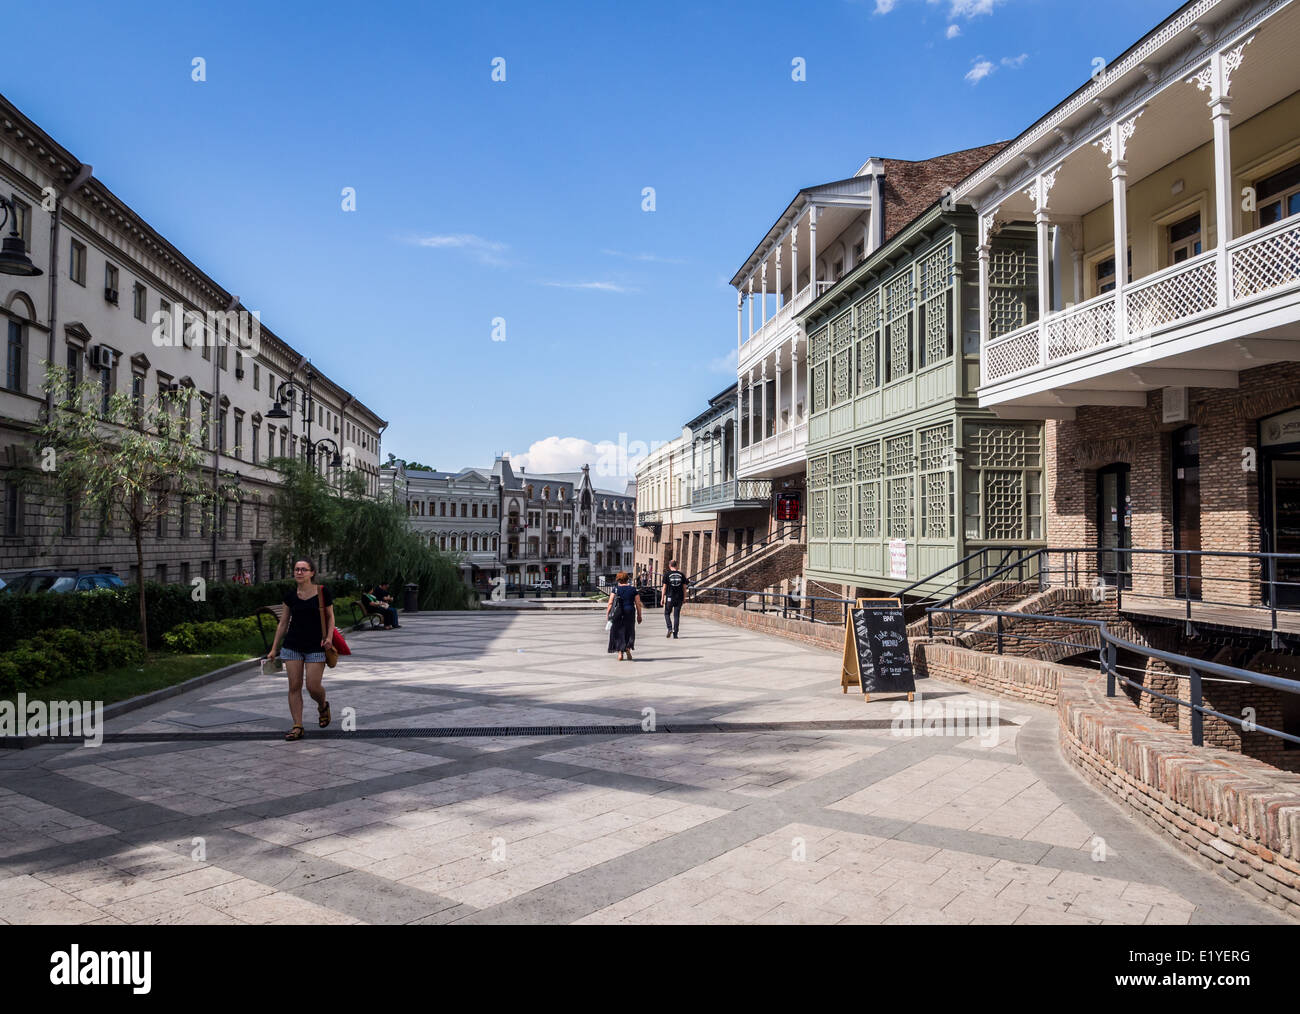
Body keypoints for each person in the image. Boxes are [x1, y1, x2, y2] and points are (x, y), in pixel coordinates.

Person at [266, 558, 335, 741]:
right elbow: (283, 623)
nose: (299, 572)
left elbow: (330, 617)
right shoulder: (290, 596)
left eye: (303, 569)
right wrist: (274, 648)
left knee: (313, 686)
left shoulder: (322, 592)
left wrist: (328, 638)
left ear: (312, 573)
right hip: (293, 646)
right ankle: (297, 725)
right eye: (297, 569)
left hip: (316, 646)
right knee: (294, 686)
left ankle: (322, 706)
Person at [606, 571, 642, 661]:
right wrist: (639, 615)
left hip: (618, 612)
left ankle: (620, 653)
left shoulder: (616, 589)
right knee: (629, 630)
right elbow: (638, 603)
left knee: (618, 631)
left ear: (618, 579)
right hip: (629, 611)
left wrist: (608, 614)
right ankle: (627, 648)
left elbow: (610, 603)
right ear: (627, 579)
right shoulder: (633, 589)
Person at [662, 560, 688, 638]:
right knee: (676, 616)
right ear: (676, 565)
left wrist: (662, 598)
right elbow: (684, 587)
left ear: (670, 566)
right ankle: (675, 633)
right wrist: (684, 598)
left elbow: (664, 587)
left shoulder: (666, 574)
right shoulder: (681, 575)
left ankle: (669, 628)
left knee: (667, 613)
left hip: (670, 597)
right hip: (679, 598)